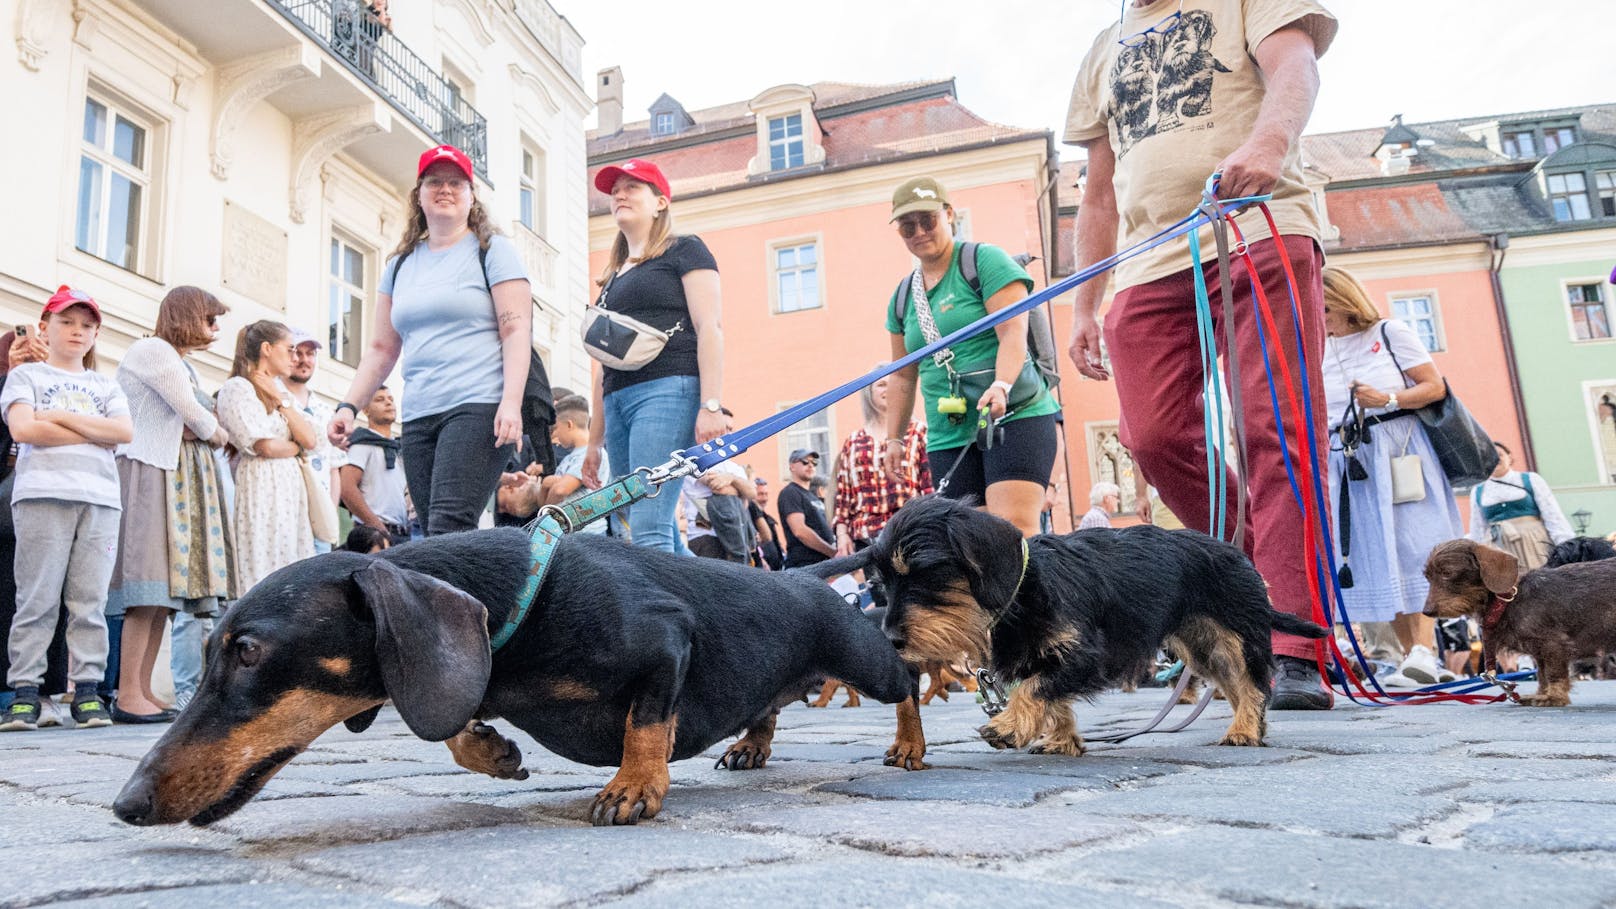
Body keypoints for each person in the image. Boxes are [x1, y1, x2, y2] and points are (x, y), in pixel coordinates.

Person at [1064, 0, 1339, 709]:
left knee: (1274, 427)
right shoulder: (1102, 49)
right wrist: (1086, 302)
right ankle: (1249, 579)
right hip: (1148, 259)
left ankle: (1295, 644)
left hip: (1259, 221)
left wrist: (1270, 146)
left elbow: (1296, 66)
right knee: (1150, 437)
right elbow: (1097, 193)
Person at [327, 144, 531, 536]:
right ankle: (474, 598)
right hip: (421, 413)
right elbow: (381, 349)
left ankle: (470, 599)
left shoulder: (493, 251)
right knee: (433, 531)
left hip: (478, 405)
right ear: (418, 194)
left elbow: (516, 329)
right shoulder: (400, 264)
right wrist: (349, 406)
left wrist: (511, 402)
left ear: (471, 196)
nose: (445, 189)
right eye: (434, 181)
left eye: (456, 182)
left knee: (449, 523)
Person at [882, 176, 1059, 538]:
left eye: (927, 220)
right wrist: (894, 440)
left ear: (949, 215)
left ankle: (1036, 597)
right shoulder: (902, 298)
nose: (919, 232)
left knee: (1013, 533)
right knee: (970, 542)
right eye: (907, 226)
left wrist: (1001, 384)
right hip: (949, 433)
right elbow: (902, 375)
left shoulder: (984, 261)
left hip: (1013, 414)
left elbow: (1012, 332)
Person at [1322, 266, 1459, 688]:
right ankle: (1411, 657)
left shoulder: (1389, 331)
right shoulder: (1316, 349)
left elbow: (1433, 386)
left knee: (1414, 545)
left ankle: (1425, 651)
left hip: (1397, 448)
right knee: (1379, 554)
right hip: (1347, 458)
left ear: (1344, 301)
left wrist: (1388, 397)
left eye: (1323, 307)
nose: (1319, 316)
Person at [0, 287, 131, 731]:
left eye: (87, 326)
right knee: (36, 598)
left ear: (96, 335)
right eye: (67, 322)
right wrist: (94, 432)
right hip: (41, 495)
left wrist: (58, 417)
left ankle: (88, 691)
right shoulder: (27, 377)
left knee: (89, 601)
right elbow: (23, 427)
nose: (77, 332)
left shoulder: (105, 384)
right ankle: (24, 693)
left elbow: (123, 432)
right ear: (45, 327)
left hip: (99, 501)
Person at [581, 158, 726, 552]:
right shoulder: (612, 276)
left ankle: (658, 615)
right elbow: (604, 362)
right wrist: (593, 443)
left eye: (633, 187)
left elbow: (710, 327)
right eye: (615, 190)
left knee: (647, 525)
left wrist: (711, 404)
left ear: (660, 202)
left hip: (667, 389)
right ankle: (704, 609)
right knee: (641, 520)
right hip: (617, 399)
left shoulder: (685, 249)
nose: (619, 194)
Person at [108, 286, 234, 720]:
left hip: (169, 477)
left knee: (160, 595)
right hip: (150, 473)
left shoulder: (177, 361)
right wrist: (210, 430)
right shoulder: (154, 351)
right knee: (147, 589)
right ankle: (128, 694)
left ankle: (141, 691)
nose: (215, 330)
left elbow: (194, 420)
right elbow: (198, 417)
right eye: (209, 319)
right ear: (187, 315)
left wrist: (200, 426)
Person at [0, 329, 72, 719]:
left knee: (45, 596)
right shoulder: (8, 385)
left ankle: (42, 690)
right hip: (10, 506)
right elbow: (20, 429)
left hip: (42, 499)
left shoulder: (64, 385)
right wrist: (10, 375)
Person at [218, 321, 319, 591]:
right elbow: (264, 446)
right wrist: (296, 448)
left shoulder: (281, 392)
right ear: (266, 349)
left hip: (289, 494)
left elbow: (311, 438)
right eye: (289, 349)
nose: (295, 357)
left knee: (292, 578)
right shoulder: (238, 388)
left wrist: (281, 400)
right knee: (259, 575)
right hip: (260, 489)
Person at [833, 372, 932, 558]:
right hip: (866, 537)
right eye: (881, 384)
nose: (888, 389)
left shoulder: (918, 431)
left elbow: (929, 486)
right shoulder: (853, 441)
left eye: (892, 384)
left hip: (910, 529)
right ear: (868, 393)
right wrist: (842, 534)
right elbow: (843, 497)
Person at [1468, 442, 1574, 570]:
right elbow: (1478, 528)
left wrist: (1566, 546)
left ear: (1510, 457)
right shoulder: (1478, 491)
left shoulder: (1530, 480)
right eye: (1487, 456)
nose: (1494, 459)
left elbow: (1552, 515)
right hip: (1499, 548)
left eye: (1499, 455)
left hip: (1535, 544)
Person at [286, 329, 344, 552]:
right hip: (289, 514)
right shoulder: (274, 398)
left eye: (310, 354)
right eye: (297, 352)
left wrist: (330, 509)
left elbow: (334, 467)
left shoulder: (325, 409)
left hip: (319, 517)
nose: (304, 360)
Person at [680, 410, 754, 561]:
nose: (727, 434)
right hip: (704, 538)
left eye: (730, 429)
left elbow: (752, 493)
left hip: (736, 537)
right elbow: (718, 486)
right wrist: (739, 488)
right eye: (724, 428)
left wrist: (731, 478)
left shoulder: (733, 467)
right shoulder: (693, 458)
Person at [340, 386, 409, 544]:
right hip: (374, 534)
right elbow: (347, 487)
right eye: (380, 399)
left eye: (390, 399)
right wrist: (377, 528)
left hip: (403, 533)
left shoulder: (399, 448)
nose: (388, 403)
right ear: (366, 410)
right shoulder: (362, 443)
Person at [533, 395, 612, 534]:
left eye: (556, 428)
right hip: (570, 533)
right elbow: (548, 492)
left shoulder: (589, 455)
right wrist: (546, 484)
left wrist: (547, 515)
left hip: (587, 533)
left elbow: (560, 490)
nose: (555, 434)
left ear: (569, 424)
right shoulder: (569, 458)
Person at [779, 449, 835, 568]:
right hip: (805, 565)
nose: (810, 465)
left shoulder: (811, 495)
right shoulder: (790, 493)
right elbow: (800, 531)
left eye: (814, 462)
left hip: (822, 564)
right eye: (805, 462)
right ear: (792, 466)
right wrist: (832, 552)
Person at [750, 477, 785, 570]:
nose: (764, 498)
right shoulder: (748, 518)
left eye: (766, 494)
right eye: (760, 494)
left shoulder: (767, 518)